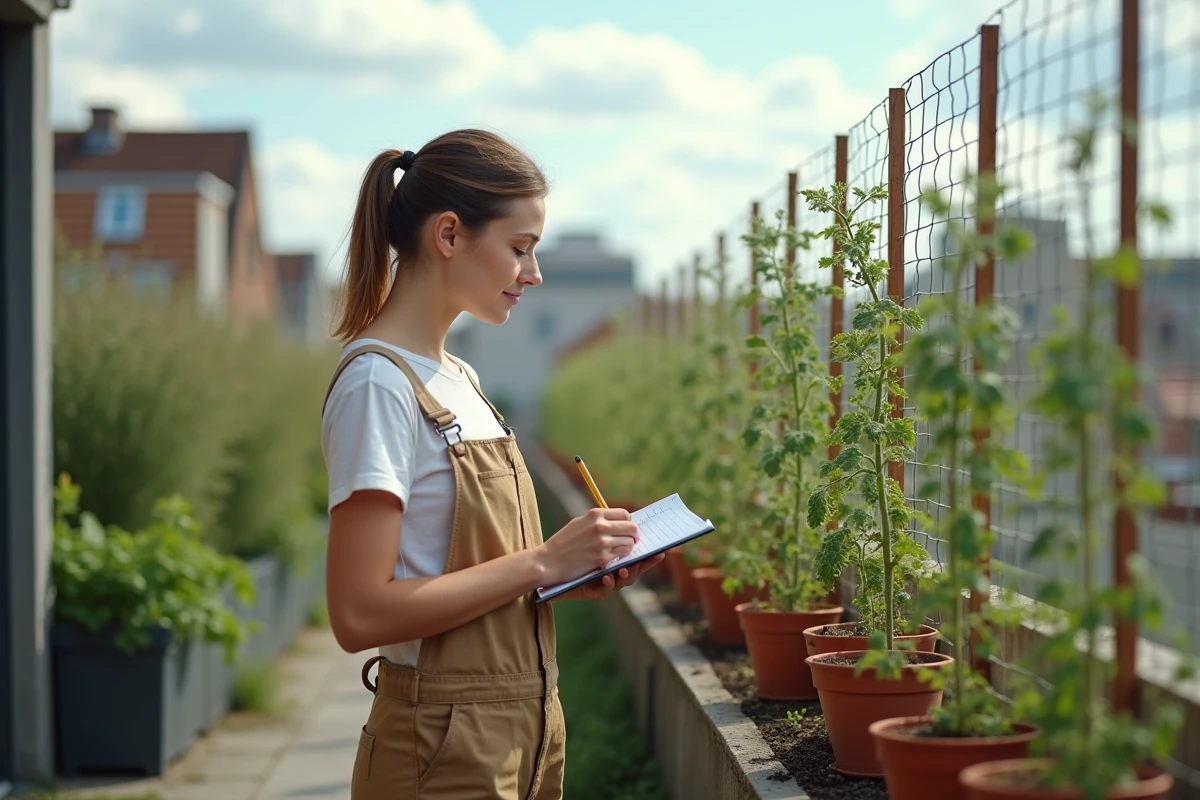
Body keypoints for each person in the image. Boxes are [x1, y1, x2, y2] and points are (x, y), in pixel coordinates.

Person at [320, 129, 664, 800]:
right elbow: (358, 613)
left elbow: (458, 570)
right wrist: (540, 563)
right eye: (519, 249)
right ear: (448, 236)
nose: (533, 275)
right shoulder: (377, 385)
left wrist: (563, 580)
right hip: (439, 754)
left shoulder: (462, 378)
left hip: (523, 735)